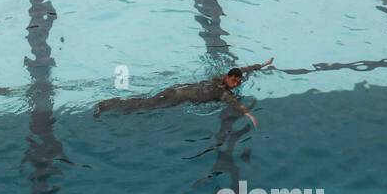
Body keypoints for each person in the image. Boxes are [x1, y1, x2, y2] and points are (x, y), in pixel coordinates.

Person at [95, 59, 274, 127]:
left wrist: (262, 65)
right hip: (179, 96)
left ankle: (110, 104)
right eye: (234, 81)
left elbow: (244, 69)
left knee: (146, 102)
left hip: (177, 89)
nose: (235, 85)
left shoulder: (220, 78)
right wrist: (249, 114)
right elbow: (235, 103)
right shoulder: (222, 92)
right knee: (145, 106)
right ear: (228, 77)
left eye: (238, 82)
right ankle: (107, 105)